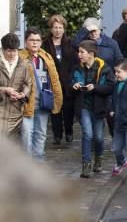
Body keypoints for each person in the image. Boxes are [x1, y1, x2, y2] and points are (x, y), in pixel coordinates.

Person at [17, 28, 63, 159]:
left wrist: (57, 99)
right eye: (31, 40)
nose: (35, 43)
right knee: (26, 134)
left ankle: (38, 163)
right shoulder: (19, 58)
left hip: (43, 103)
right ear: (26, 42)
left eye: (37, 40)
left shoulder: (46, 57)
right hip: (25, 104)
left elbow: (55, 80)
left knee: (41, 134)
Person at [72, 40, 115, 177]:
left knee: (99, 137)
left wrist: (95, 87)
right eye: (79, 52)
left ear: (91, 54)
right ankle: (86, 165)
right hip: (83, 105)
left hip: (99, 108)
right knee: (87, 134)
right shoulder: (77, 68)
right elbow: (70, 82)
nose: (79, 55)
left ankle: (99, 159)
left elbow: (110, 87)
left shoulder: (104, 68)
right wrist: (74, 85)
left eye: (81, 52)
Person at [44, 14, 78, 146]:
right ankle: (57, 134)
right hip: (53, 81)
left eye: (60, 27)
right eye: (55, 27)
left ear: (64, 29)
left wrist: (72, 77)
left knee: (68, 109)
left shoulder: (71, 43)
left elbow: (76, 61)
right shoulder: (45, 44)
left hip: (68, 81)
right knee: (55, 109)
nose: (57, 30)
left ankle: (69, 131)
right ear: (51, 29)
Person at [1, 33, 33, 141]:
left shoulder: (23, 64)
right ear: (3, 49)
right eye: (9, 51)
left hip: (15, 112)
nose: (12, 54)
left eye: (14, 51)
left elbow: (28, 83)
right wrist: (4, 90)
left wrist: (22, 94)